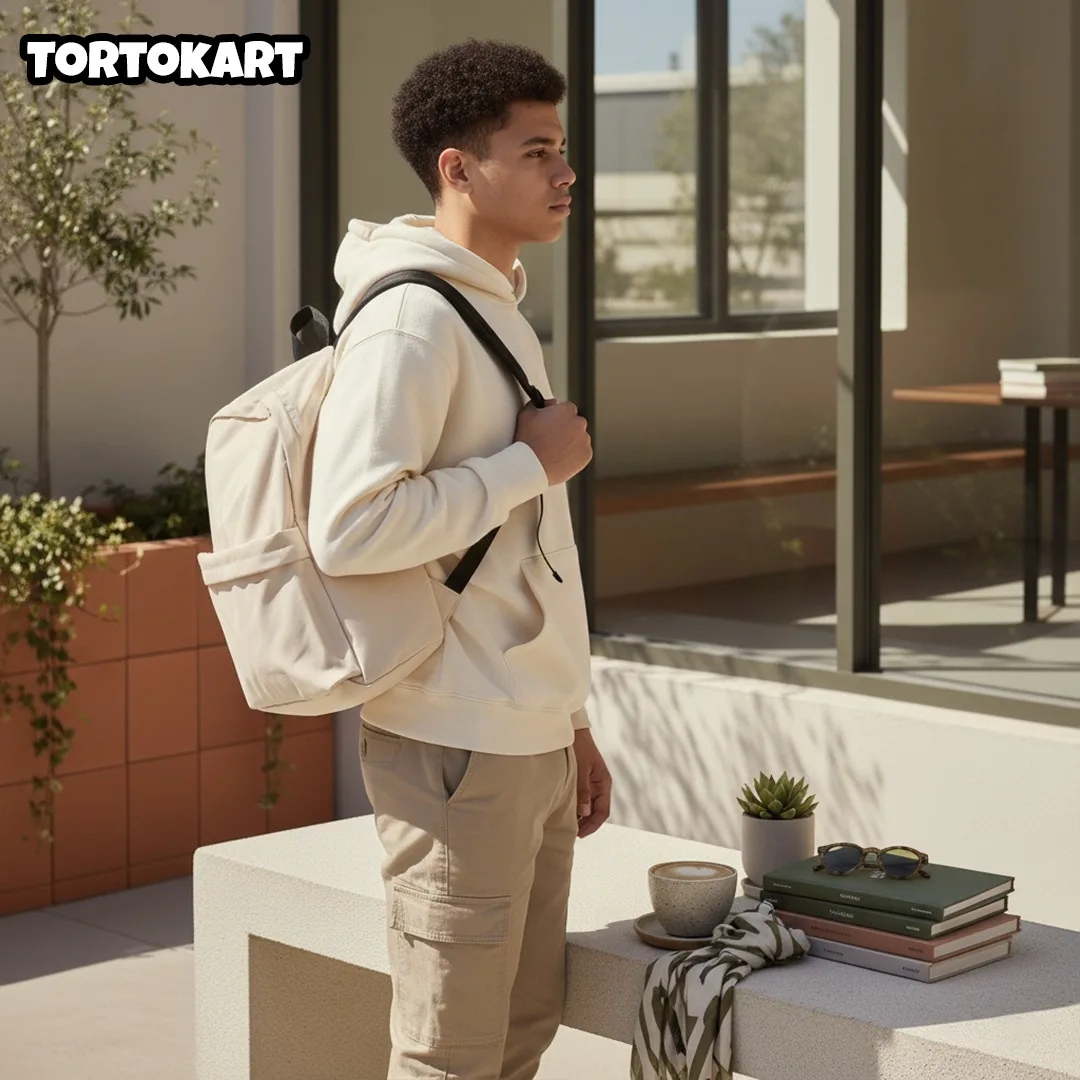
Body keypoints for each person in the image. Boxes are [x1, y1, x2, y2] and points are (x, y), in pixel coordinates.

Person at [306, 38, 613, 1080]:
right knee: (451, 1053)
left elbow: (525, 556)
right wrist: (529, 468)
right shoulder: (408, 322)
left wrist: (567, 720)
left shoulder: (493, 306)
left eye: (562, 148)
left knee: (522, 1033)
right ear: (458, 168)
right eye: (537, 150)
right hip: (450, 743)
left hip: (518, 734)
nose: (565, 172)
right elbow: (349, 527)